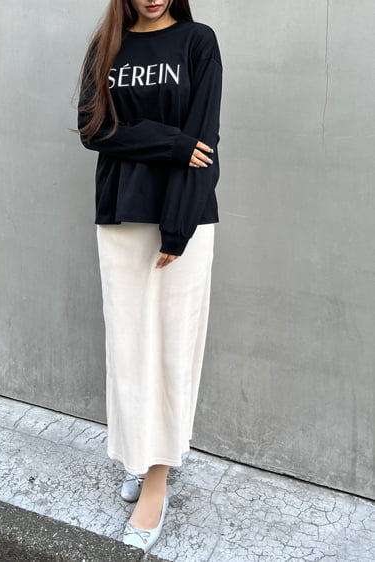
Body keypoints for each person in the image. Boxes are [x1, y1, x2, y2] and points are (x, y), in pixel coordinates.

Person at [76, 0, 223, 553]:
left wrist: (177, 229)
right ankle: (140, 455)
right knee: (129, 347)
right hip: (120, 217)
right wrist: (173, 144)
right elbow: (95, 130)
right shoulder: (106, 46)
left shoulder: (197, 42)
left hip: (179, 221)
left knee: (170, 351)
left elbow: (204, 142)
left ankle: (157, 480)